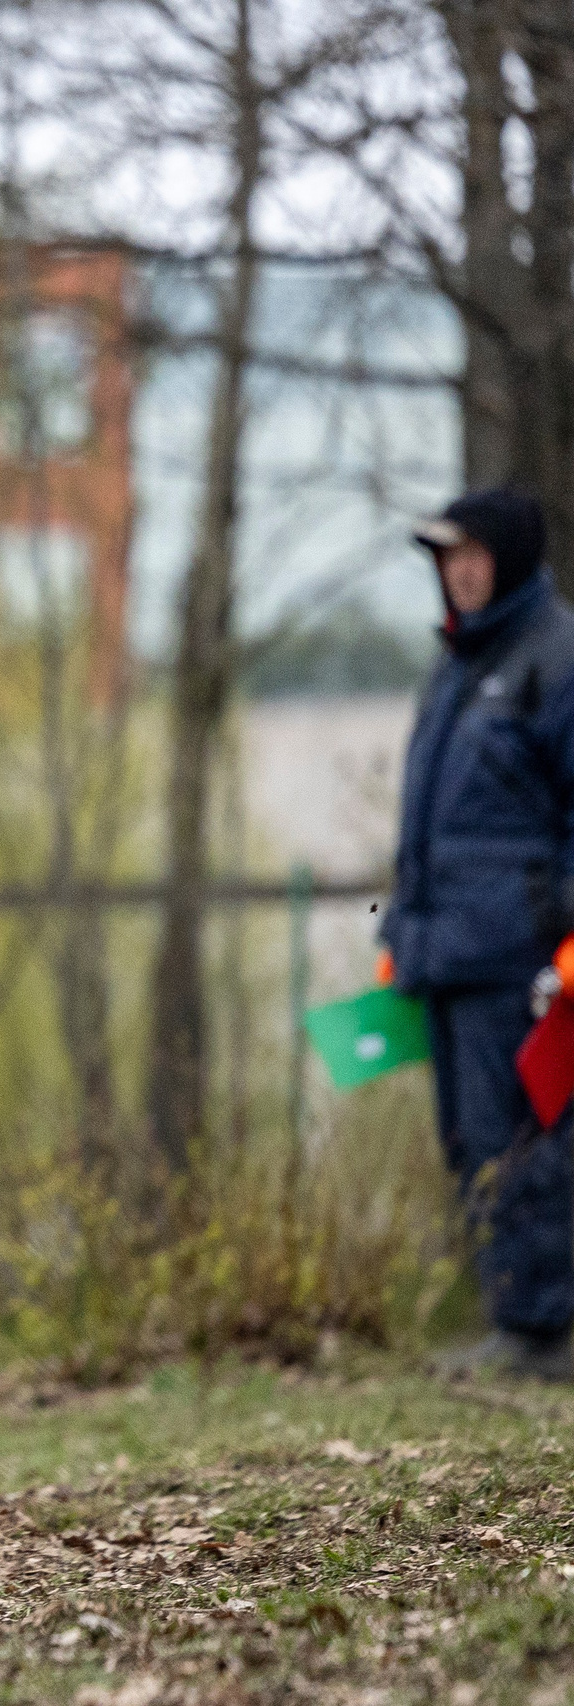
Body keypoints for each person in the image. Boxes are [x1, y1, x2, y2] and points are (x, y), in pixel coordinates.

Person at [385, 487, 574, 1381]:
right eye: (446, 559)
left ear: (509, 559)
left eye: (472, 556)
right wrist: (405, 932)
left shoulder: (556, 657)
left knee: (524, 1144)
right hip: (449, 955)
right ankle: (510, 1315)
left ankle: (543, 1329)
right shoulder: (455, 664)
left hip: (520, 958)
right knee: (470, 1144)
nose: (458, 574)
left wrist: (565, 939)